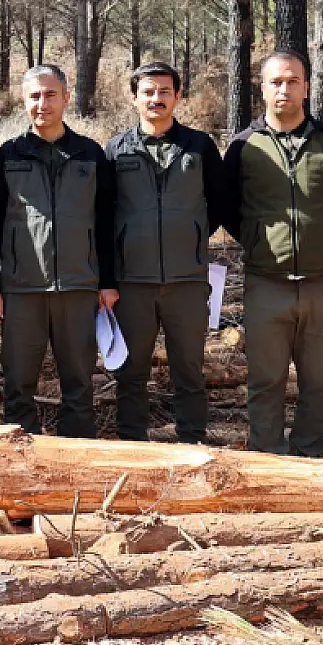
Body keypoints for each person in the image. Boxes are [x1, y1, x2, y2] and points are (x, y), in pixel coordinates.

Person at [221, 50, 323, 456]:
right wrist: (256, 238)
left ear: (306, 86)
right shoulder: (244, 146)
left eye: (293, 81)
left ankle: (309, 455)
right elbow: (228, 206)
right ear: (262, 88)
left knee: (319, 380)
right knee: (266, 380)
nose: (285, 89)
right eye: (276, 82)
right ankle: (267, 459)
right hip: (267, 283)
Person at [0, 65, 116, 438]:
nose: (43, 103)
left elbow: (105, 221)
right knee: (18, 386)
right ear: (25, 102)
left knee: (79, 386)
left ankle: (77, 467)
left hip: (78, 287)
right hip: (21, 290)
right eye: (35, 96)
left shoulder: (89, 154)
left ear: (66, 98)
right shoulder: (8, 154)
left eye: (51, 94)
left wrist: (107, 282)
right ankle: (22, 470)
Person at [105, 61, 225, 443]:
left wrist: (192, 235)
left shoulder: (200, 146)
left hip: (187, 280)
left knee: (189, 371)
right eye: (148, 92)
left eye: (164, 91)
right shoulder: (116, 149)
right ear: (134, 98)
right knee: (131, 372)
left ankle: (193, 447)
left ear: (177, 96)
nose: (157, 99)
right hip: (133, 282)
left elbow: (219, 203)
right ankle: (134, 450)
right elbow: (104, 214)